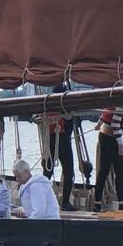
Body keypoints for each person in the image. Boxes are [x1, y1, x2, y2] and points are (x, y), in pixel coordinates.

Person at [40, 83, 76, 211]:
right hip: (61, 137)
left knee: (47, 170)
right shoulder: (63, 102)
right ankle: (65, 202)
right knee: (68, 170)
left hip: (50, 137)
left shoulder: (48, 102)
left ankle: (41, 199)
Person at [94, 106, 123, 212]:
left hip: (104, 135)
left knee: (105, 171)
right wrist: (120, 145)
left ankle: (98, 204)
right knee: (117, 172)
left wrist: (99, 124)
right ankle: (120, 205)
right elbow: (115, 125)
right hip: (111, 138)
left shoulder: (116, 102)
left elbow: (104, 114)